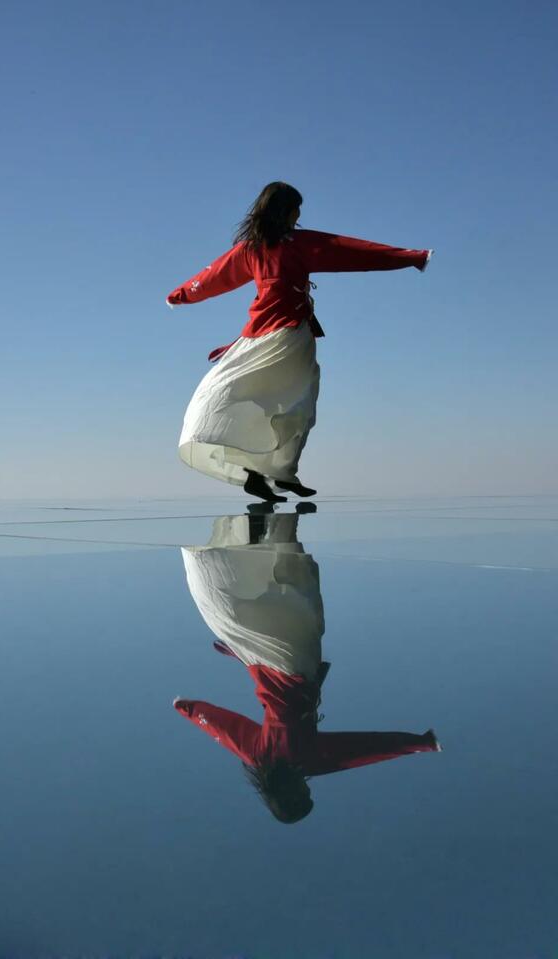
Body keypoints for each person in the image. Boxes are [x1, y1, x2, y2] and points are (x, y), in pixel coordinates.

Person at [167, 182, 432, 502]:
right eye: (296, 210)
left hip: (256, 338)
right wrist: (410, 257)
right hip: (287, 334)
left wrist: (180, 295)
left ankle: (267, 474)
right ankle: (276, 472)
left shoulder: (251, 249)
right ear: (285, 211)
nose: (299, 215)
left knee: (267, 401)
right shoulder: (293, 244)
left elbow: (211, 277)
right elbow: (351, 251)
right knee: (296, 404)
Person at [175, 512, 441, 824]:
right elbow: (221, 728)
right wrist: (188, 709)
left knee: (299, 602)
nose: (308, 789)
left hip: (295, 665)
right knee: (286, 602)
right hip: (266, 666)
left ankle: (278, 528)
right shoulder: (258, 757)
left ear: (293, 794)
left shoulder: (308, 761)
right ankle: (271, 527)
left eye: (304, 795)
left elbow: (366, 749)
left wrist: (420, 744)